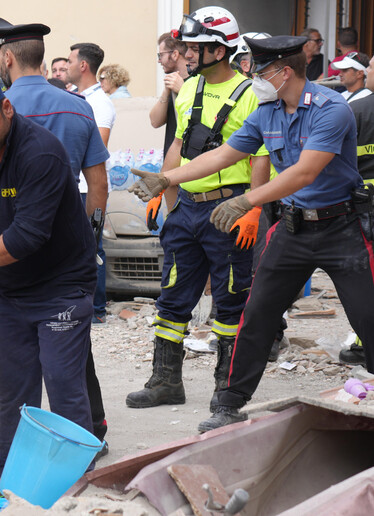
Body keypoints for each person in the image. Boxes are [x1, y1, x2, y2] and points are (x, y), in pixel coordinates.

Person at [136, 35, 374, 432]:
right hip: (294, 227)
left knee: (367, 315)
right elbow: (224, 154)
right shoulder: (268, 111)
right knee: (256, 314)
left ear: (285, 72)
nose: (255, 77)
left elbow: (305, 172)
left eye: (262, 71)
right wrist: (166, 178)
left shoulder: (331, 110)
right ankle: (230, 403)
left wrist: (247, 202)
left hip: (342, 228)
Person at [0, 71, 97, 481]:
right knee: (14, 390)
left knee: (63, 383)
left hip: (62, 285)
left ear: (6, 107)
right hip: (10, 289)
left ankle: (77, 478)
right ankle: (10, 475)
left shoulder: (41, 152)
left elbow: (28, 236)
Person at [125, 7, 270, 412]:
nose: (187, 53)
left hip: (228, 210)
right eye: (186, 46)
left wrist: (253, 209)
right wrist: (162, 187)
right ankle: (165, 381)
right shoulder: (188, 89)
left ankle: (227, 387)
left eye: (194, 47)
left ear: (219, 50)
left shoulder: (251, 95)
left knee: (230, 299)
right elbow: (179, 144)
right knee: (172, 297)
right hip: (186, 207)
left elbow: (260, 157)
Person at [0, 16, 111, 462]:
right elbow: (97, 185)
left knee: (20, 367)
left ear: (4, 58)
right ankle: (86, 438)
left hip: (9, 258)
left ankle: (21, 450)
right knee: (70, 358)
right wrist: (85, 238)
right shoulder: (78, 106)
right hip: (68, 261)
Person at [66, 42, 114, 326]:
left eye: (71, 60)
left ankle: (96, 309)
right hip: (77, 184)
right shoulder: (77, 97)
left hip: (89, 187)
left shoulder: (100, 103)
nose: (68, 65)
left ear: (83, 65)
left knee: (92, 246)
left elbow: (99, 147)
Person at [338, 57, 374, 366]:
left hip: (365, 203)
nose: (367, 73)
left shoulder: (357, 112)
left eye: (370, 68)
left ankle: (365, 343)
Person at [149, 32, 189, 156]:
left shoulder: (198, 82)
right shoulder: (172, 84)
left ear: (175, 54)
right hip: (172, 158)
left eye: (161, 55)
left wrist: (183, 91)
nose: (159, 60)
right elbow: (155, 122)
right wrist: (166, 91)